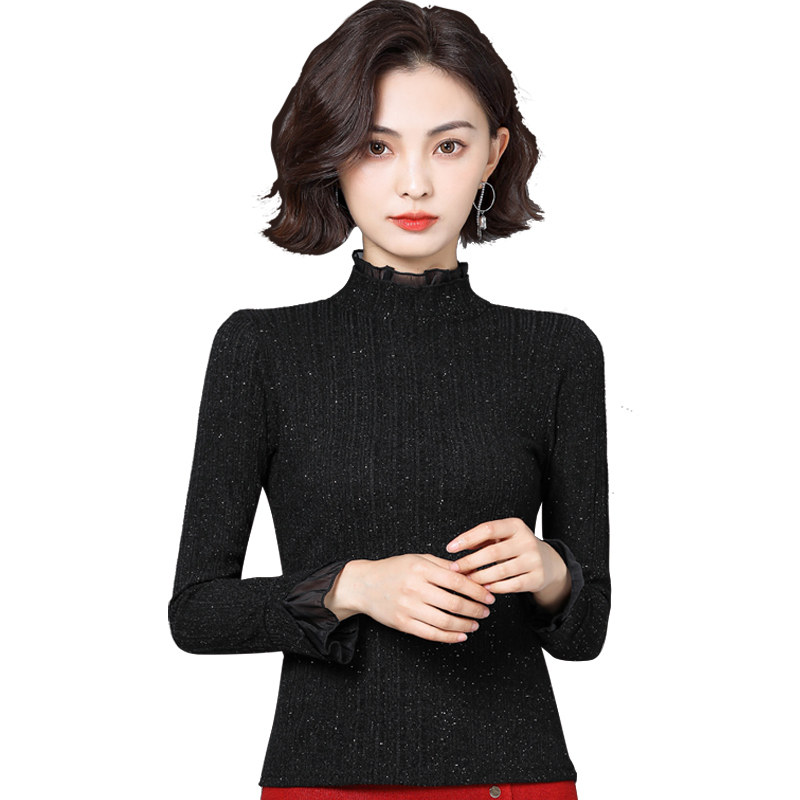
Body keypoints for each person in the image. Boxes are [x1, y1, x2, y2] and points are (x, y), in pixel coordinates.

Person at [167, 1, 611, 798]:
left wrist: (551, 571)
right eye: (377, 146)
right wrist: (351, 587)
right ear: (333, 153)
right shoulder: (261, 350)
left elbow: (587, 631)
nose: (414, 182)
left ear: (493, 153)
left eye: (449, 145)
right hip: (322, 779)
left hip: (514, 778)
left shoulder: (557, 353)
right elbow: (196, 612)